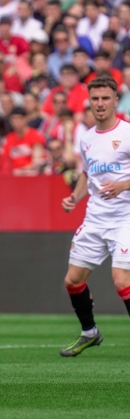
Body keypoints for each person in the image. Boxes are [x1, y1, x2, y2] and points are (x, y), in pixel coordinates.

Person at [60, 76, 130, 357]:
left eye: (105, 98)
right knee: (72, 280)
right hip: (95, 219)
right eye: (95, 99)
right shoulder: (87, 138)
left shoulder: (127, 133)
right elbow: (87, 175)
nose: (100, 104)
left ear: (115, 101)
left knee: (121, 280)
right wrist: (74, 198)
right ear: (89, 101)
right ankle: (90, 332)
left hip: (125, 218)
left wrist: (123, 185)